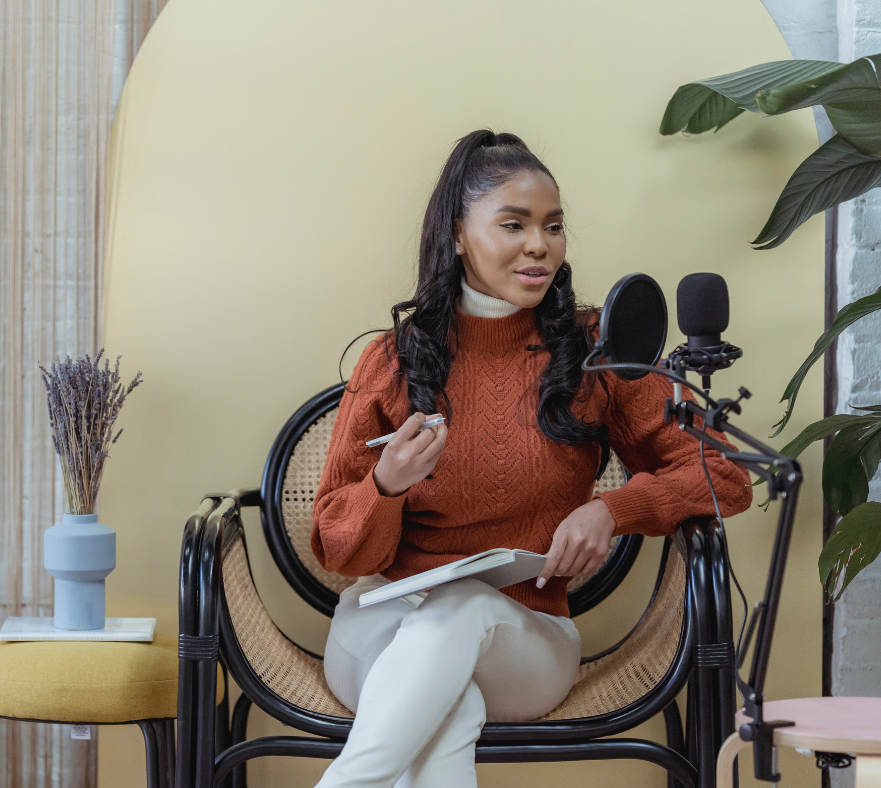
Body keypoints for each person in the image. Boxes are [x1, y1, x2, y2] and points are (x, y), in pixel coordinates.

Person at [310, 129, 752, 788]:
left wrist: (613, 509)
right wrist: (386, 485)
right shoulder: (395, 359)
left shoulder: (596, 350)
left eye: (553, 226)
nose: (538, 245)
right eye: (513, 224)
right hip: (380, 628)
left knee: (459, 610)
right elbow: (338, 549)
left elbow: (726, 475)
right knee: (446, 707)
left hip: (528, 637)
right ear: (459, 234)